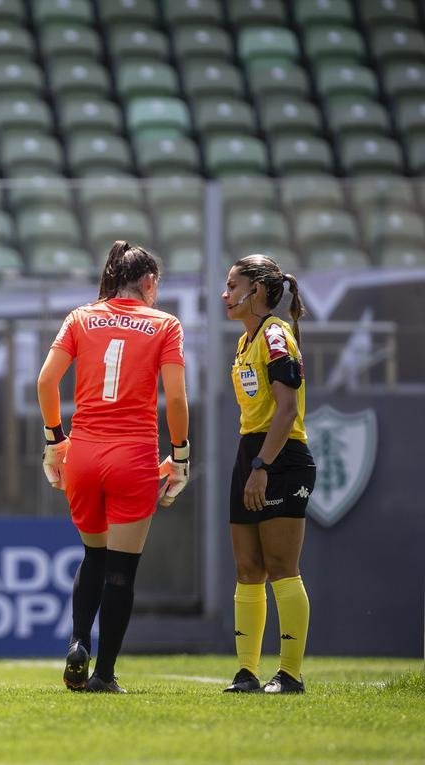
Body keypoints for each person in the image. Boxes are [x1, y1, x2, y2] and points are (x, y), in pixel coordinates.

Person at [36, 241, 190, 693]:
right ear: (148, 282)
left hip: (82, 453)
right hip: (134, 455)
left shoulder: (81, 317)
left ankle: (78, 641)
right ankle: (103, 674)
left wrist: (53, 441)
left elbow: (46, 381)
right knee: (122, 569)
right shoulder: (165, 324)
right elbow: (176, 398)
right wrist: (180, 455)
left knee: (92, 555)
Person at [220, 254, 315, 694]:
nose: (226, 295)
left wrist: (263, 467)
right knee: (247, 567)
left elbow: (287, 410)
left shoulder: (276, 337)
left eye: (233, 286)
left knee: (281, 566)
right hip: (250, 451)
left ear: (257, 291)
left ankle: (291, 674)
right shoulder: (244, 342)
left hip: (281, 455)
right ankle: (246, 672)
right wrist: (251, 462)